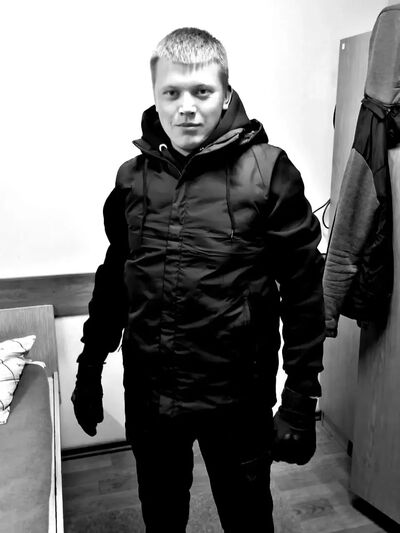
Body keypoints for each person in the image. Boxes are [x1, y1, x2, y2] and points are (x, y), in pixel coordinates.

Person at [72, 27, 325, 533]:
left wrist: (300, 399)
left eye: (202, 92)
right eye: (172, 92)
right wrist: (89, 364)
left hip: (237, 399)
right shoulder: (132, 178)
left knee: (246, 518)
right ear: (156, 96)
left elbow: (303, 292)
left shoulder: (268, 172)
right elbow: (115, 277)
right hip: (151, 395)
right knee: (161, 516)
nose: (186, 107)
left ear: (226, 95)